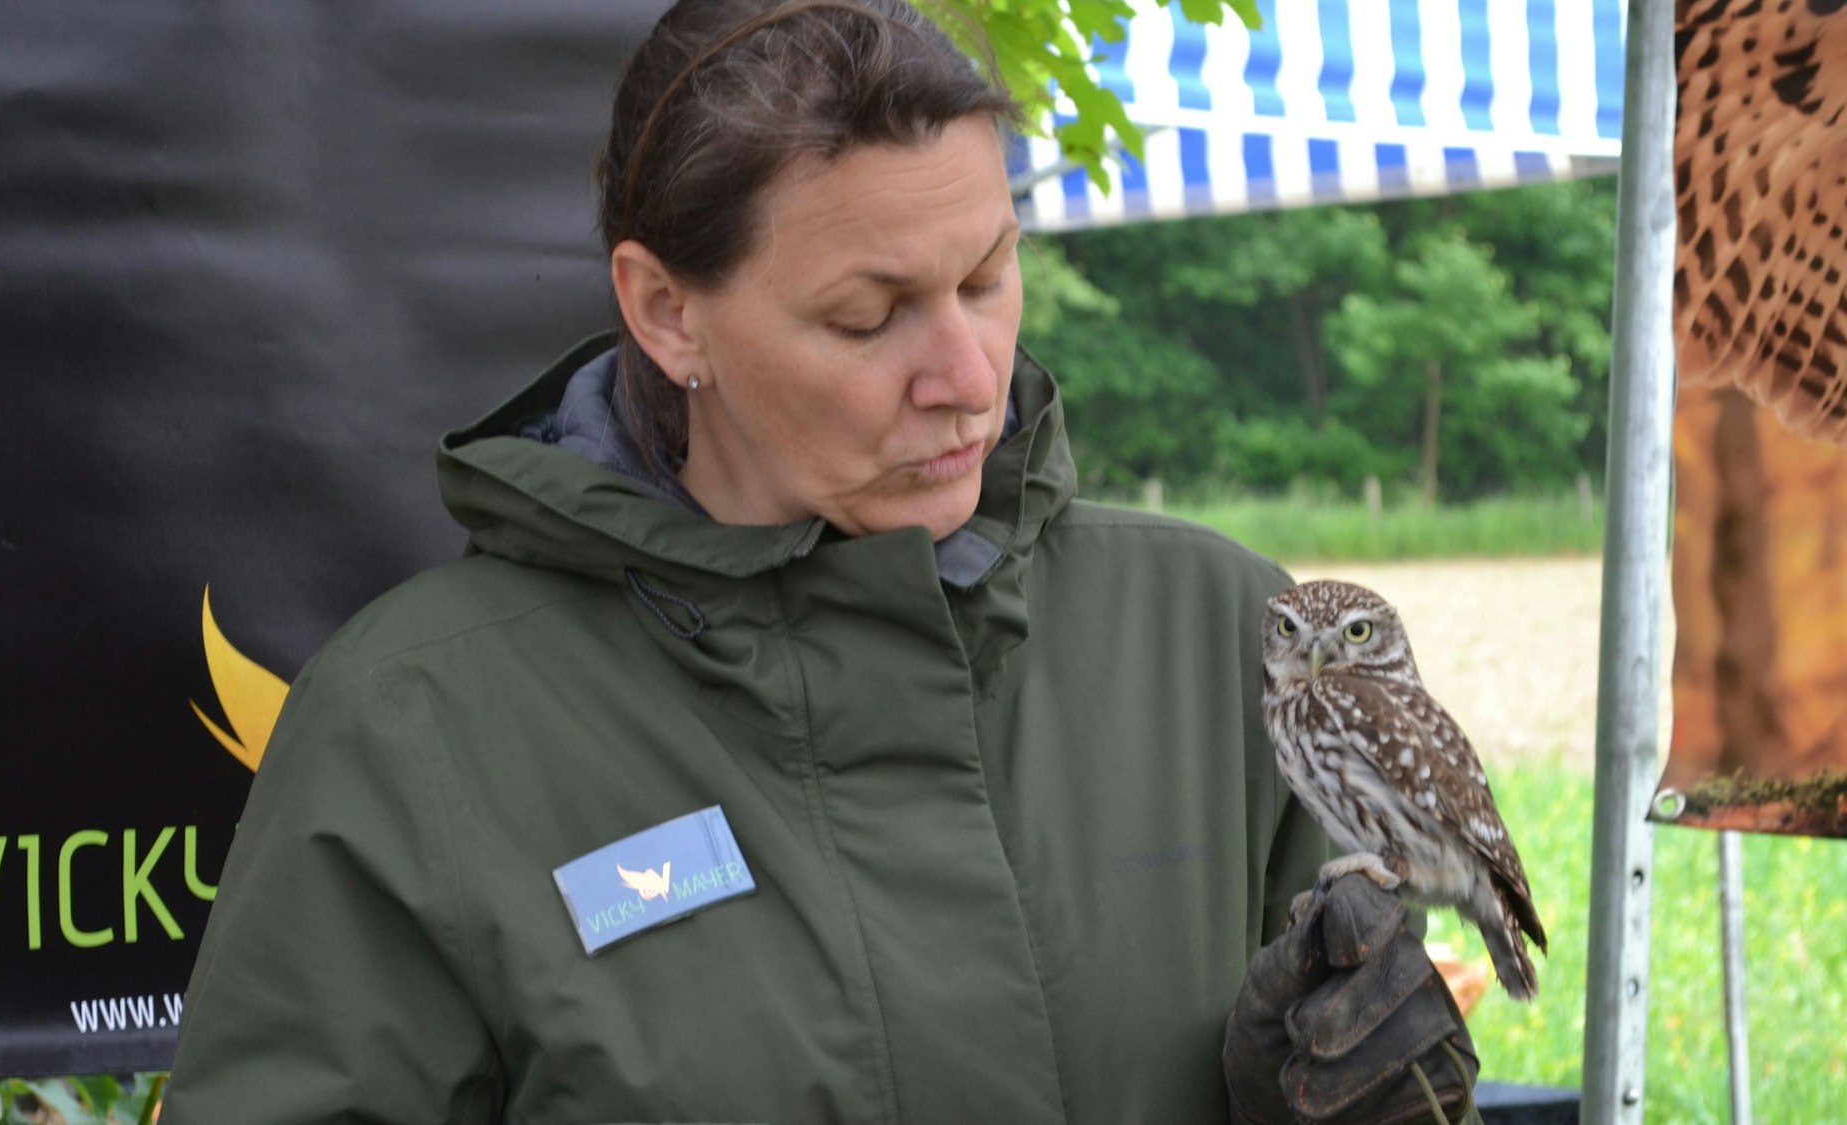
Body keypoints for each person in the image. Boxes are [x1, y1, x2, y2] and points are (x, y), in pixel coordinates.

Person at [162, 1, 1480, 1121]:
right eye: (870, 316)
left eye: (986, 277)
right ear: (668, 311)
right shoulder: (418, 726)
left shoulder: (1215, 631)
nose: (967, 377)